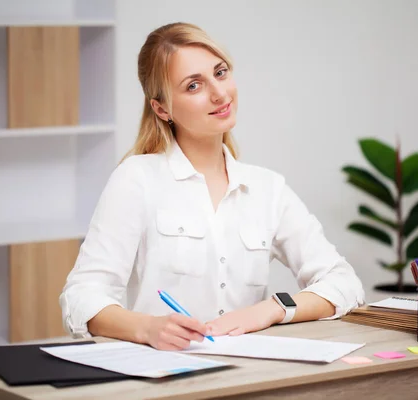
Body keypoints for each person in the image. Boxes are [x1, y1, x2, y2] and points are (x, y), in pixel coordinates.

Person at [60, 22, 365, 351]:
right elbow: (82, 295)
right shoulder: (137, 178)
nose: (219, 93)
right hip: (163, 376)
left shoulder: (267, 189)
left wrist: (270, 310)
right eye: (194, 86)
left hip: (250, 372)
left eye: (220, 73)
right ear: (162, 109)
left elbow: (344, 283)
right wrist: (147, 328)